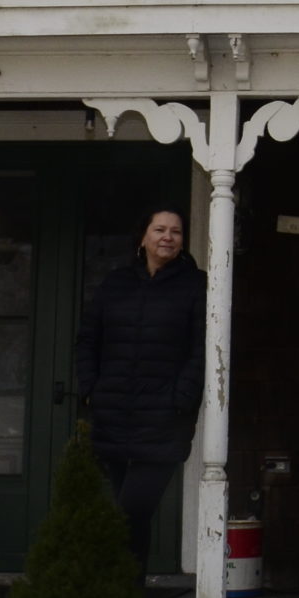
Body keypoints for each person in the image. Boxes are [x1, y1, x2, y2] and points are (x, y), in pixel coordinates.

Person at [73, 207, 206, 577]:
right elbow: (88, 340)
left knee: (132, 511)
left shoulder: (196, 285)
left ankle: (121, 597)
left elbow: (202, 348)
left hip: (164, 419)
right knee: (128, 519)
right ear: (143, 237)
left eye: (175, 232)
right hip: (113, 414)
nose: (168, 237)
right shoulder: (115, 284)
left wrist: (181, 398)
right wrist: (90, 389)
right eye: (159, 229)